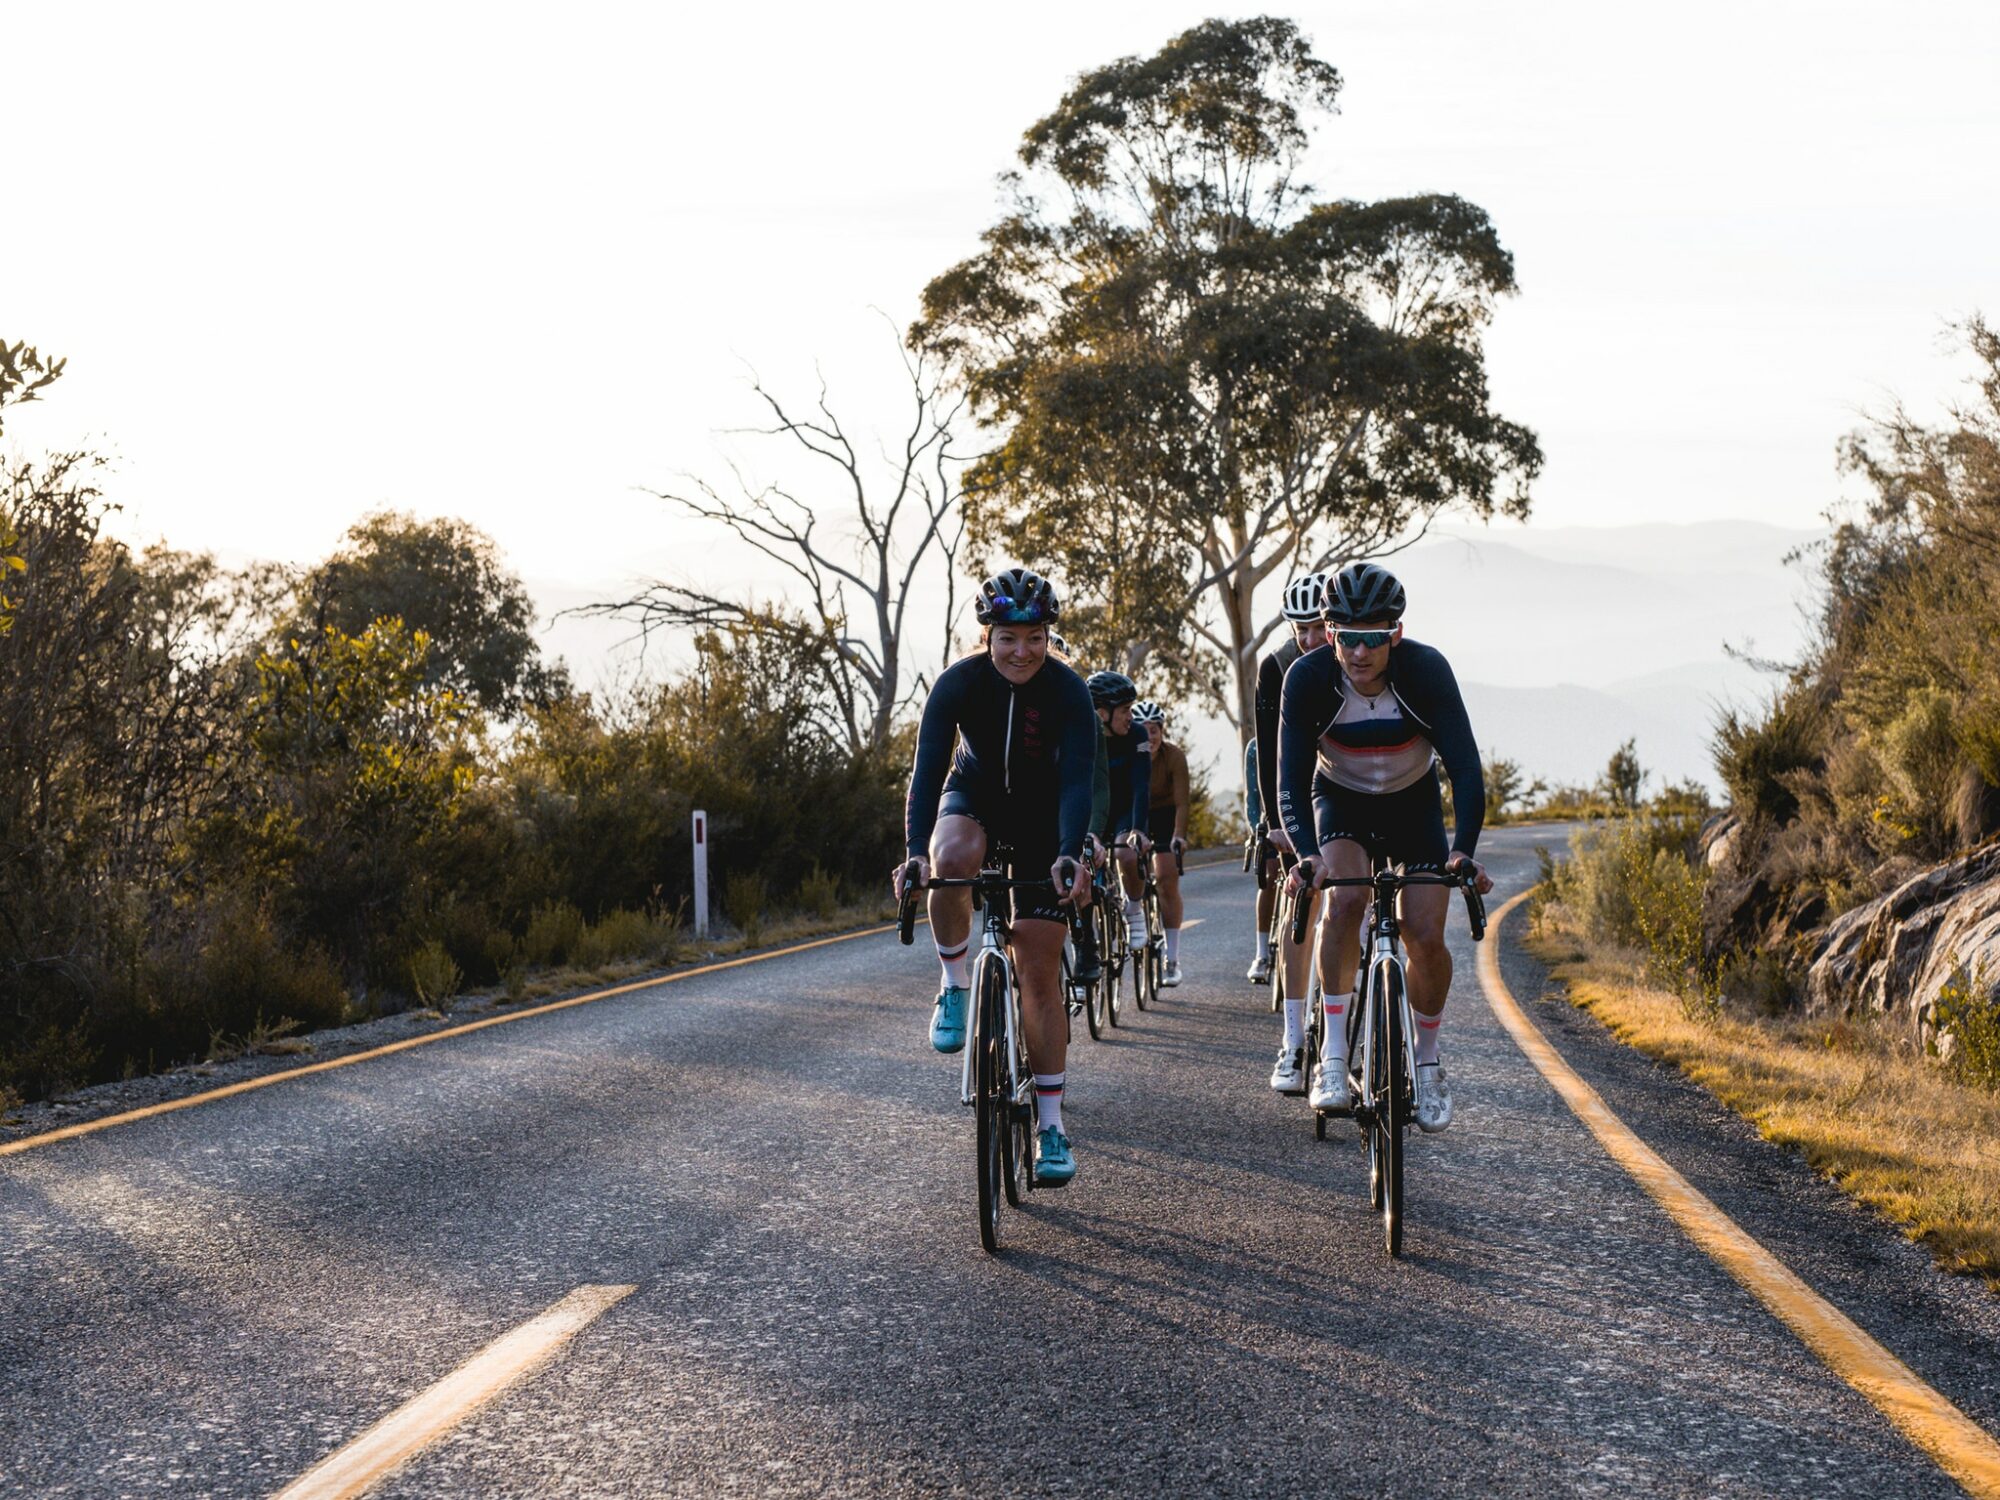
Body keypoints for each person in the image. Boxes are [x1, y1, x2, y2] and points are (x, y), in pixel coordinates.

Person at [1275, 562, 1494, 1131]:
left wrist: (1463, 850)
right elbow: (1290, 782)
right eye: (1348, 637)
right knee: (1344, 903)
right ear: (1329, 632)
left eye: (1375, 636)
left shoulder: (1425, 671)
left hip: (1411, 802)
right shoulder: (1306, 679)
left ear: (1395, 633)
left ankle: (1427, 1063)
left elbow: (1466, 771)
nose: (1361, 651)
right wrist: (1306, 854)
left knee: (1424, 931)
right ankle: (1332, 1057)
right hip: (1340, 799)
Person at [897, 566, 1096, 1184]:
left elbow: (1077, 781)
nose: (1022, 651)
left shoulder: (1068, 692)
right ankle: (956, 984)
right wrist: (913, 853)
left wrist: (1069, 852)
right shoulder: (958, 684)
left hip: (1043, 820)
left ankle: (1052, 1127)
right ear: (987, 635)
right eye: (1008, 637)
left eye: (1034, 636)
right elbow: (928, 770)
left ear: (1046, 636)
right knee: (951, 860)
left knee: (1039, 972)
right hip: (975, 797)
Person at [1256, 571, 1331, 1093]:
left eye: (1316, 628)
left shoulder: (1354, 653)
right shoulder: (1276, 665)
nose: (1308, 639)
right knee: (1303, 904)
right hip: (1293, 790)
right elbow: (1267, 752)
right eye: (1299, 628)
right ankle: (1293, 1041)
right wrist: (1277, 823)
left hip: (1344, 789)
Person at [1084, 669, 1154, 957]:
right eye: (1125, 710)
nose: (1131, 716)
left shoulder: (1137, 733)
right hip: (1094, 812)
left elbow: (1141, 785)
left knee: (1126, 853)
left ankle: (1135, 909)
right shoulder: (1085, 736)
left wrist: (1138, 829)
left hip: (1127, 809)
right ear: (1102, 713)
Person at [1133, 700, 1190, 986]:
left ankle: (1172, 959)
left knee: (1167, 880)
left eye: (1153, 730)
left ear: (1162, 731)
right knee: (1128, 861)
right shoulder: (1134, 754)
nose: (1149, 737)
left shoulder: (1174, 757)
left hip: (1167, 817)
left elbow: (1182, 803)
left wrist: (1178, 836)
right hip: (1138, 815)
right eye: (1143, 730)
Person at [1244, 734, 1276, 985]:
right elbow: (1252, 799)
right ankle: (1261, 953)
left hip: (1306, 819)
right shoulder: (1255, 747)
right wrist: (1258, 832)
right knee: (1270, 875)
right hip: (1270, 824)